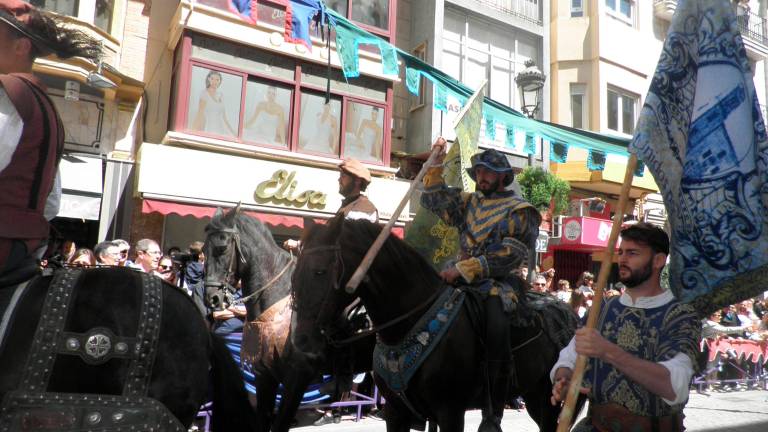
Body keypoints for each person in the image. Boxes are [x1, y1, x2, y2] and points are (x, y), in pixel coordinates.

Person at [420, 138, 541, 428]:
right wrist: (436, 164)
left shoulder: (520, 210)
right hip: (458, 277)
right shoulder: (468, 202)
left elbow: (508, 256)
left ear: (502, 176)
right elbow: (435, 200)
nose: (482, 177)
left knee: (496, 325)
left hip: (498, 284)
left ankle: (492, 413)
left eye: (488, 172)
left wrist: (466, 269)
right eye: (479, 172)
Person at [550, 223, 701, 432]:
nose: (622, 259)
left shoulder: (680, 315)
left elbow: (676, 386)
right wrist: (563, 379)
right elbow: (570, 355)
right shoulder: (601, 309)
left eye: (632, 253)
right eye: (621, 252)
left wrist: (609, 352)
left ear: (658, 260)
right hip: (596, 426)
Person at [0, 0, 100, 276]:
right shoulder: (48, 108)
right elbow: (52, 203)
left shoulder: (7, 93)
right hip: (25, 251)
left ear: (21, 47)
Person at [283, 159, 378, 251]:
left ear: (357, 181)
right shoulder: (350, 205)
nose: (339, 180)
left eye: (343, 176)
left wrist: (300, 244)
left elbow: (339, 241)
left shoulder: (363, 208)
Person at [191, 69, 236, 137]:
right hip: (209, 128)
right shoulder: (204, 94)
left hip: (221, 130)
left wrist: (234, 133)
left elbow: (224, 118)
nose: (215, 81)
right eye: (212, 79)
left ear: (220, 81)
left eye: (217, 80)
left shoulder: (221, 95)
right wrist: (192, 131)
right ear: (209, 79)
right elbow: (199, 114)